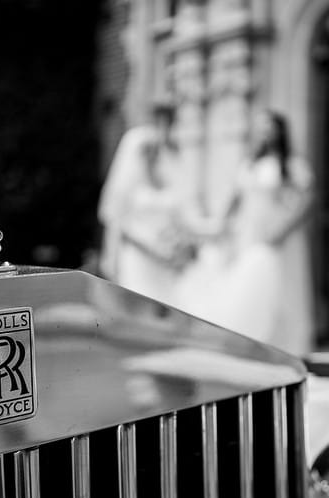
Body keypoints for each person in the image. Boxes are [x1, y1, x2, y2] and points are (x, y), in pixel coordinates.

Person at [176, 110, 316, 355]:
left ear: (280, 132)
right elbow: (234, 201)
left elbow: (307, 199)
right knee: (249, 285)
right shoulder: (249, 164)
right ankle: (253, 342)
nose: (265, 133)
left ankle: (280, 344)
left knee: (278, 289)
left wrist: (283, 228)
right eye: (262, 127)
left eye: (270, 127)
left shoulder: (291, 165)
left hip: (273, 236)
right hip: (247, 233)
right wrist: (218, 228)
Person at [97, 103, 189, 303]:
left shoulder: (174, 161)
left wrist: (177, 245)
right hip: (138, 255)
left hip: (166, 259)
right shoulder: (135, 147)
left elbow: (180, 213)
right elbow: (117, 216)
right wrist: (151, 248)